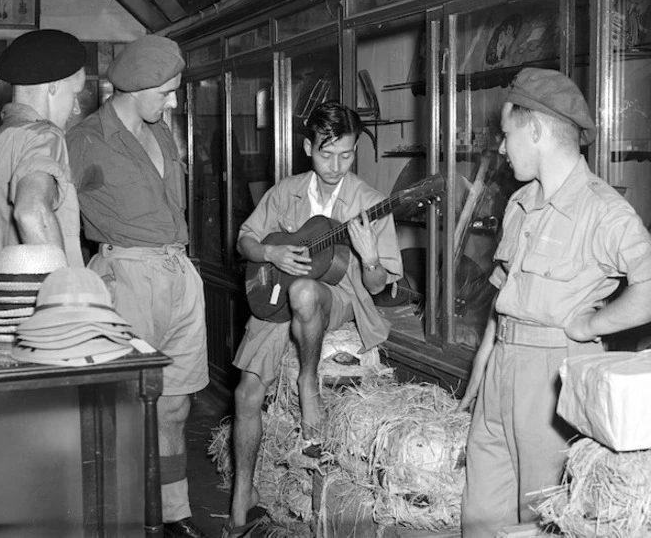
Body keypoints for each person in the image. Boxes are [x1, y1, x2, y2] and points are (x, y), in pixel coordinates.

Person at [458, 68, 651, 537]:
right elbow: (505, 295)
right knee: (480, 514)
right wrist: (481, 368)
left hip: (555, 376)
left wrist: (591, 324)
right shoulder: (521, 203)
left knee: (541, 519)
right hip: (503, 367)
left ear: (535, 130)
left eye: (507, 134)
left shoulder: (601, 209)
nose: (501, 147)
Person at [224, 101, 403, 538]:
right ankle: (241, 500)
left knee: (306, 289)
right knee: (247, 393)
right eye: (327, 154)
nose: (337, 165)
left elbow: (379, 286)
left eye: (347, 154)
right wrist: (271, 252)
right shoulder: (285, 192)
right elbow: (246, 240)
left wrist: (370, 256)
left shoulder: (370, 202)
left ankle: (307, 384)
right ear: (308, 147)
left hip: (341, 297)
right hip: (275, 293)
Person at [66, 35, 209, 538]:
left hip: (178, 273)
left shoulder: (162, 132)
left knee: (176, 403)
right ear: (136, 86)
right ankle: (122, 517)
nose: (172, 102)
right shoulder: (84, 140)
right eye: (166, 92)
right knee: (125, 405)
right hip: (125, 277)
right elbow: (57, 212)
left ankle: (174, 513)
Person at [0, 29, 86, 274]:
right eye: (75, 94)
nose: (76, 109)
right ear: (53, 86)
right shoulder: (45, 136)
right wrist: (63, 293)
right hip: (35, 301)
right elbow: (31, 213)